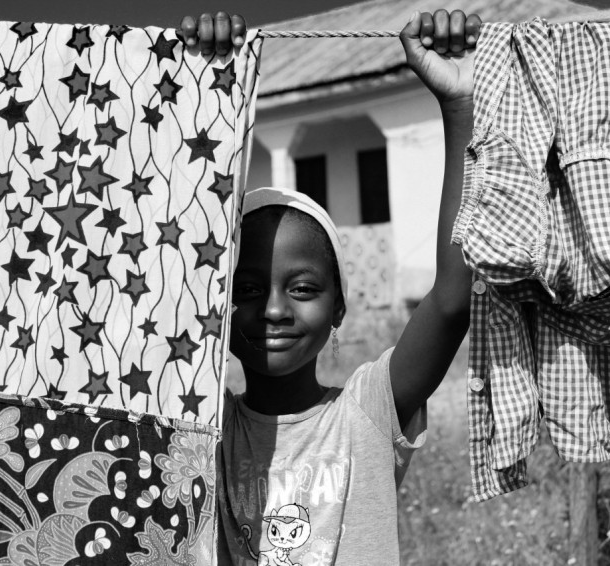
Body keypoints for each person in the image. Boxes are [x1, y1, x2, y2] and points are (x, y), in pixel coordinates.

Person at [181, 9, 479, 565]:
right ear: (217, 307)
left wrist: (458, 108)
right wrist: (200, 89)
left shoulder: (368, 411)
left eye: (301, 288)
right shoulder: (202, 429)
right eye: (245, 290)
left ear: (338, 308)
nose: (273, 309)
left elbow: (450, 300)